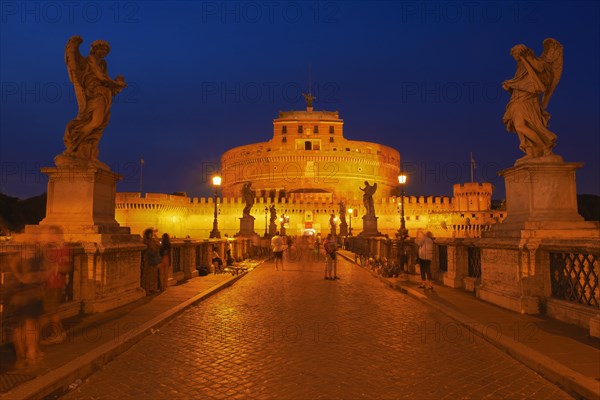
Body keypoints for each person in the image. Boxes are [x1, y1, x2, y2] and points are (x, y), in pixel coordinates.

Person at [62, 36, 127, 163]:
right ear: (95, 49)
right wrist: (116, 83)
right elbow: (101, 77)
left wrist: (117, 84)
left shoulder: (103, 63)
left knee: (100, 124)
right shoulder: (91, 59)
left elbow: (105, 80)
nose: (104, 53)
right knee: (96, 122)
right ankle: (74, 140)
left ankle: (87, 150)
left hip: (103, 95)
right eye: (102, 50)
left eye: (106, 51)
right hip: (94, 93)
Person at [502, 39, 563, 159]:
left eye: (516, 54)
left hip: (528, 101)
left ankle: (543, 147)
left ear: (521, 52)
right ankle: (531, 151)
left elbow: (540, 69)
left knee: (526, 125)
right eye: (514, 55)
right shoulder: (520, 67)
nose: (515, 57)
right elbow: (522, 83)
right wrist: (510, 86)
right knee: (519, 127)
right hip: (517, 99)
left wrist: (528, 57)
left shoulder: (534, 61)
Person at [6, 246, 46, 368]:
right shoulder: (36, 254)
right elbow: (46, 271)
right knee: (30, 324)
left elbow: (12, 264)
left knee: (19, 326)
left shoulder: (21, 254)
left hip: (17, 295)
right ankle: (31, 353)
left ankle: (22, 357)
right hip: (29, 295)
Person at [40, 228, 71, 345]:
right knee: (51, 311)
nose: (48, 237)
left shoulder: (63, 249)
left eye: (50, 235)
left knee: (52, 311)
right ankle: (60, 333)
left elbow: (67, 267)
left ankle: (57, 334)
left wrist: (55, 268)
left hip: (55, 283)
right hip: (49, 283)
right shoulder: (52, 248)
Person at [142, 228, 161, 294]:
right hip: (148, 259)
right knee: (148, 275)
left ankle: (153, 288)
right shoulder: (146, 241)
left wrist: (155, 236)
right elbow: (150, 248)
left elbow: (158, 245)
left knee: (153, 275)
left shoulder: (153, 240)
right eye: (151, 233)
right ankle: (147, 289)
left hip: (153, 259)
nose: (151, 234)